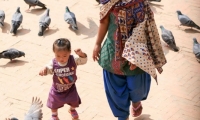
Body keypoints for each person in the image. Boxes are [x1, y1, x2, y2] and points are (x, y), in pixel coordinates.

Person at [92, 0, 166, 120]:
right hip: (112, 55)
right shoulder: (108, 3)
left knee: (137, 87)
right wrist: (97, 44)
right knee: (115, 90)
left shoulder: (141, 4)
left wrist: (135, 55)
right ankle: (122, 116)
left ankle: (136, 102)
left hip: (136, 55)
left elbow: (144, 29)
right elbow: (104, 21)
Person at [39, 38, 87, 120]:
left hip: (70, 88)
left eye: (64, 56)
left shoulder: (73, 59)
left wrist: (81, 54)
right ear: (54, 53)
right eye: (58, 56)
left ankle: (72, 110)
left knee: (74, 101)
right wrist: (44, 70)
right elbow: (48, 68)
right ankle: (54, 115)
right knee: (53, 103)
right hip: (57, 89)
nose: (61, 58)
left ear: (69, 52)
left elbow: (83, 61)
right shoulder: (53, 63)